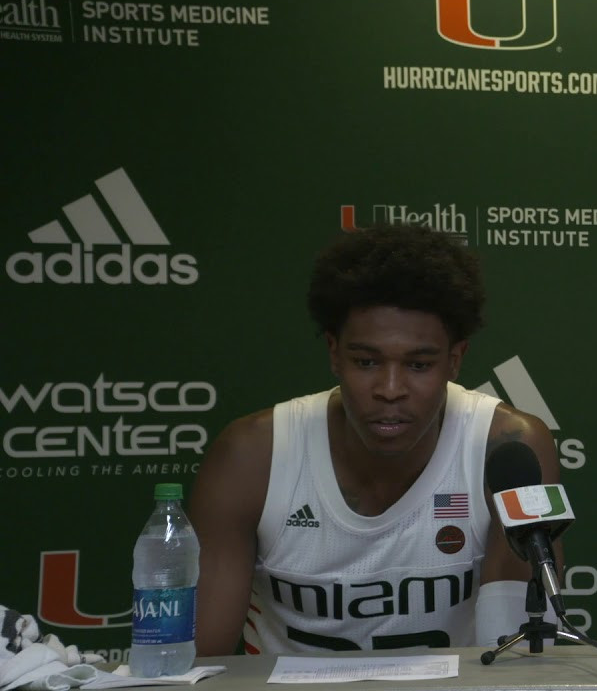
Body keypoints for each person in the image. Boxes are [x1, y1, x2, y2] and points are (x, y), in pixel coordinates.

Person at [190, 225, 559, 655]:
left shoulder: (508, 446)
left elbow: (517, 654)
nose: (389, 388)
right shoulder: (254, 456)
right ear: (333, 353)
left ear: (455, 360)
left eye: (419, 365)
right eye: (366, 361)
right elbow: (194, 664)